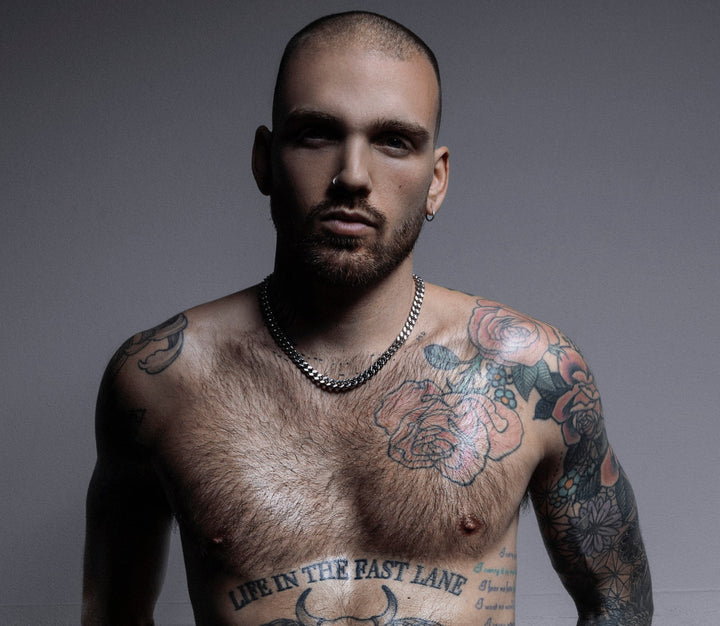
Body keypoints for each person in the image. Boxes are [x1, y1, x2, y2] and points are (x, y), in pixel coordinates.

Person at [82, 11, 652, 625]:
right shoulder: (160, 380)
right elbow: (112, 616)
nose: (353, 176)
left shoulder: (531, 372)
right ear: (264, 160)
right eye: (316, 134)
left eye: (394, 141)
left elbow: (618, 604)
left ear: (436, 180)